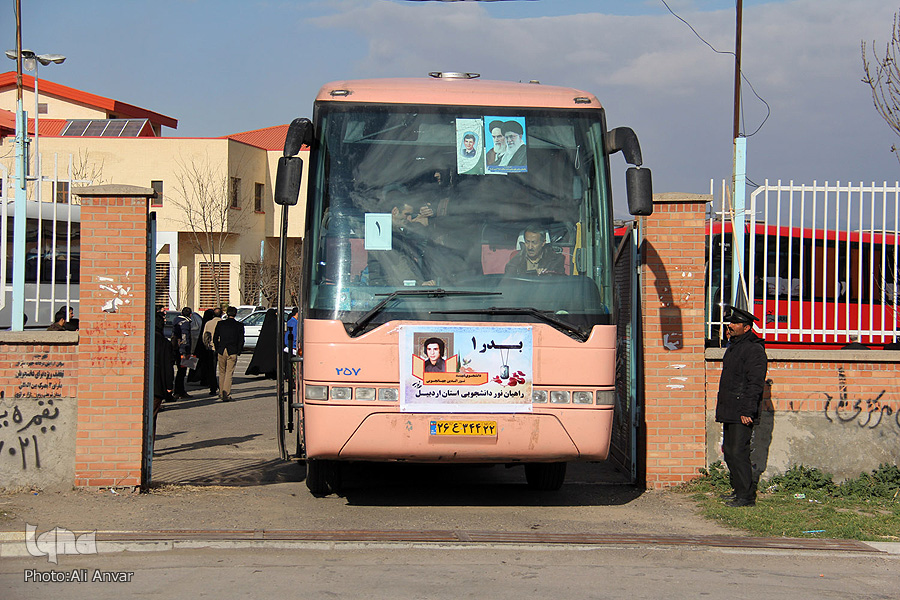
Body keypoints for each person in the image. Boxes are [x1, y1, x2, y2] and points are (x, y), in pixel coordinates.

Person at [716, 305, 768, 508]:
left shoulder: (754, 349)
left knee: (739, 451)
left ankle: (746, 497)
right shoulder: (735, 345)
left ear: (746, 328)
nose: (730, 326)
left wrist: (748, 410)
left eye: (735, 323)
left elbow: (754, 383)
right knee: (729, 451)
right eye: (730, 323)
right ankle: (738, 491)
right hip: (730, 408)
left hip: (741, 410)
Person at [366, 190, 434, 287]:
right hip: (390, 292)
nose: (409, 219)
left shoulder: (398, 231)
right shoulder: (382, 233)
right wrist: (419, 283)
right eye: (406, 214)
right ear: (395, 211)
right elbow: (397, 264)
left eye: (410, 215)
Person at [213, 306, 245, 402]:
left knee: (222, 372)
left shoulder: (220, 324)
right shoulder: (239, 325)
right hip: (232, 350)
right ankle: (226, 393)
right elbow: (241, 340)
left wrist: (217, 347)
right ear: (235, 314)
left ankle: (221, 392)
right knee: (229, 373)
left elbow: (215, 337)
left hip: (222, 349)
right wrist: (239, 350)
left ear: (227, 313)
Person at [153, 312, 176, 440]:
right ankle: (150, 447)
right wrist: (169, 386)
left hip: (141, 386)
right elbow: (168, 366)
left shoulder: (144, 340)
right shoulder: (165, 343)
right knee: (152, 417)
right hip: (158, 386)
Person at [194, 308, 220, 397]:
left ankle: (208, 382)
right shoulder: (221, 323)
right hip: (218, 348)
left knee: (209, 367)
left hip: (208, 348)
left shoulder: (207, 323)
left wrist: (206, 345)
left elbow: (204, 336)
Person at [172, 307, 194, 399]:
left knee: (180, 371)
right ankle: (179, 391)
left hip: (176, 349)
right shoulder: (185, 323)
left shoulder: (176, 320)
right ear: (190, 314)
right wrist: (186, 351)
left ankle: (179, 390)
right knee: (182, 371)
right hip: (183, 350)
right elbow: (185, 337)